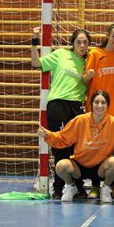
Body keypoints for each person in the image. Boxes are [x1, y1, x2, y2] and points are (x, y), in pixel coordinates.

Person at [37, 90, 114, 202]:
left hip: (101, 168)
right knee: (61, 166)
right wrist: (47, 135)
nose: (99, 106)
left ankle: (106, 188)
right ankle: (71, 186)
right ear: (91, 104)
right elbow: (62, 138)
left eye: (103, 103)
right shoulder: (80, 120)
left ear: (108, 105)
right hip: (80, 166)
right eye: (96, 102)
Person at [31, 26, 90, 199]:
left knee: (77, 148)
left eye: (85, 42)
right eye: (78, 42)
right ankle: (58, 186)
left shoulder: (90, 61)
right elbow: (36, 63)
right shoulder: (61, 54)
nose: (81, 45)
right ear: (72, 43)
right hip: (58, 104)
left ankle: (78, 186)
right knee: (59, 146)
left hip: (77, 107)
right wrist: (34, 42)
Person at [83, 23, 114, 200]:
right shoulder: (95, 54)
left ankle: (111, 186)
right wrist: (87, 76)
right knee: (96, 149)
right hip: (95, 110)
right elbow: (85, 79)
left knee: (113, 151)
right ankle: (94, 186)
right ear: (107, 36)